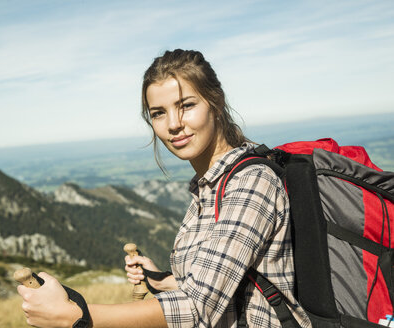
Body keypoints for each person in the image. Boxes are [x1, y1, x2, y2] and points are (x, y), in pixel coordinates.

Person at [17, 49, 312, 328]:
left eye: (186, 106)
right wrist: (163, 280)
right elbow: (226, 285)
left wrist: (77, 314)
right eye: (158, 113)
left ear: (216, 102)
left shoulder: (251, 183)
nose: (173, 124)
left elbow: (197, 308)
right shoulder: (211, 186)